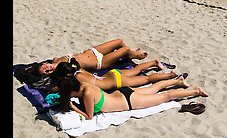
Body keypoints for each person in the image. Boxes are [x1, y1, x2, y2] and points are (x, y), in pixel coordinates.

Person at [55, 61, 208, 120]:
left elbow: (88, 116)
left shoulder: (87, 94)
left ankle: (195, 92)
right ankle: (177, 80)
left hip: (129, 101)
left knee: (166, 96)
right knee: (153, 87)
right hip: (123, 93)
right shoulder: (86, 87)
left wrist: (73, 107)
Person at [14, 38, 148, 91]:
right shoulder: (62, 71)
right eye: (46, 73)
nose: (48, 70)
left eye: (45, 68)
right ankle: (131, 54)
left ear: (43, 64)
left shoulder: (55, 61)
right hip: (99, 62)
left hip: (92, 51)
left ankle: (130, 55)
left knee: (119, 41)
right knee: (123, 49)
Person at [54, 58, 185, 91]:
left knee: (146, 79)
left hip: (115, 82)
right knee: (136, 69)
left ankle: (171, 75)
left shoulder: (77, 78)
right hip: (112, 74)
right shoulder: (79, 70)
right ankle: (153, 63)